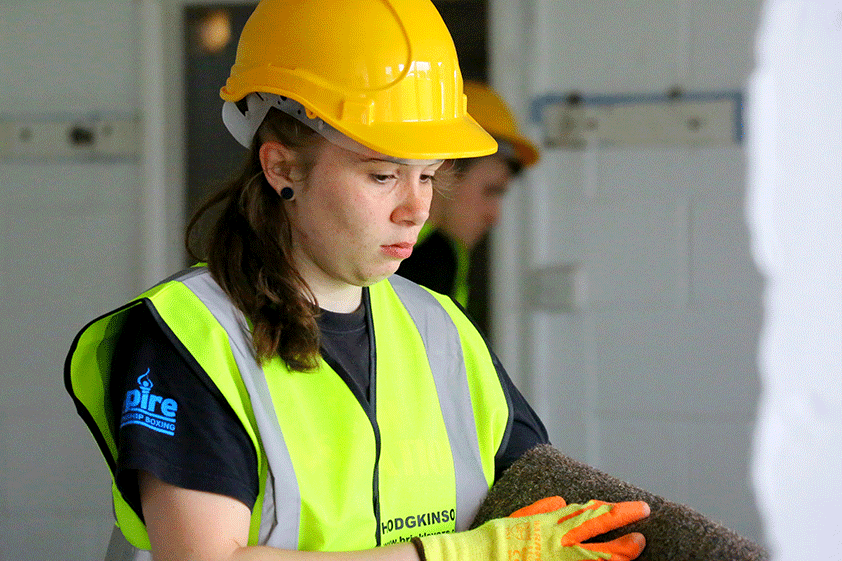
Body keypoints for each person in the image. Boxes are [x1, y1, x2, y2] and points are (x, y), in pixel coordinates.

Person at [64, 1, 649, 560]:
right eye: (383, 176)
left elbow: (539, 498)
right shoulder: (189, 336)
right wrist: (453, 556)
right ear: (282, 168)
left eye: (427, 176)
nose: (416, 210)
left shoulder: (442, 330)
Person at [396, 81, 539, 308]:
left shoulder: (438, 252)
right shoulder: (431, 256)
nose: (494, 216)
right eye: (490, 191)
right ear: (442, 169)